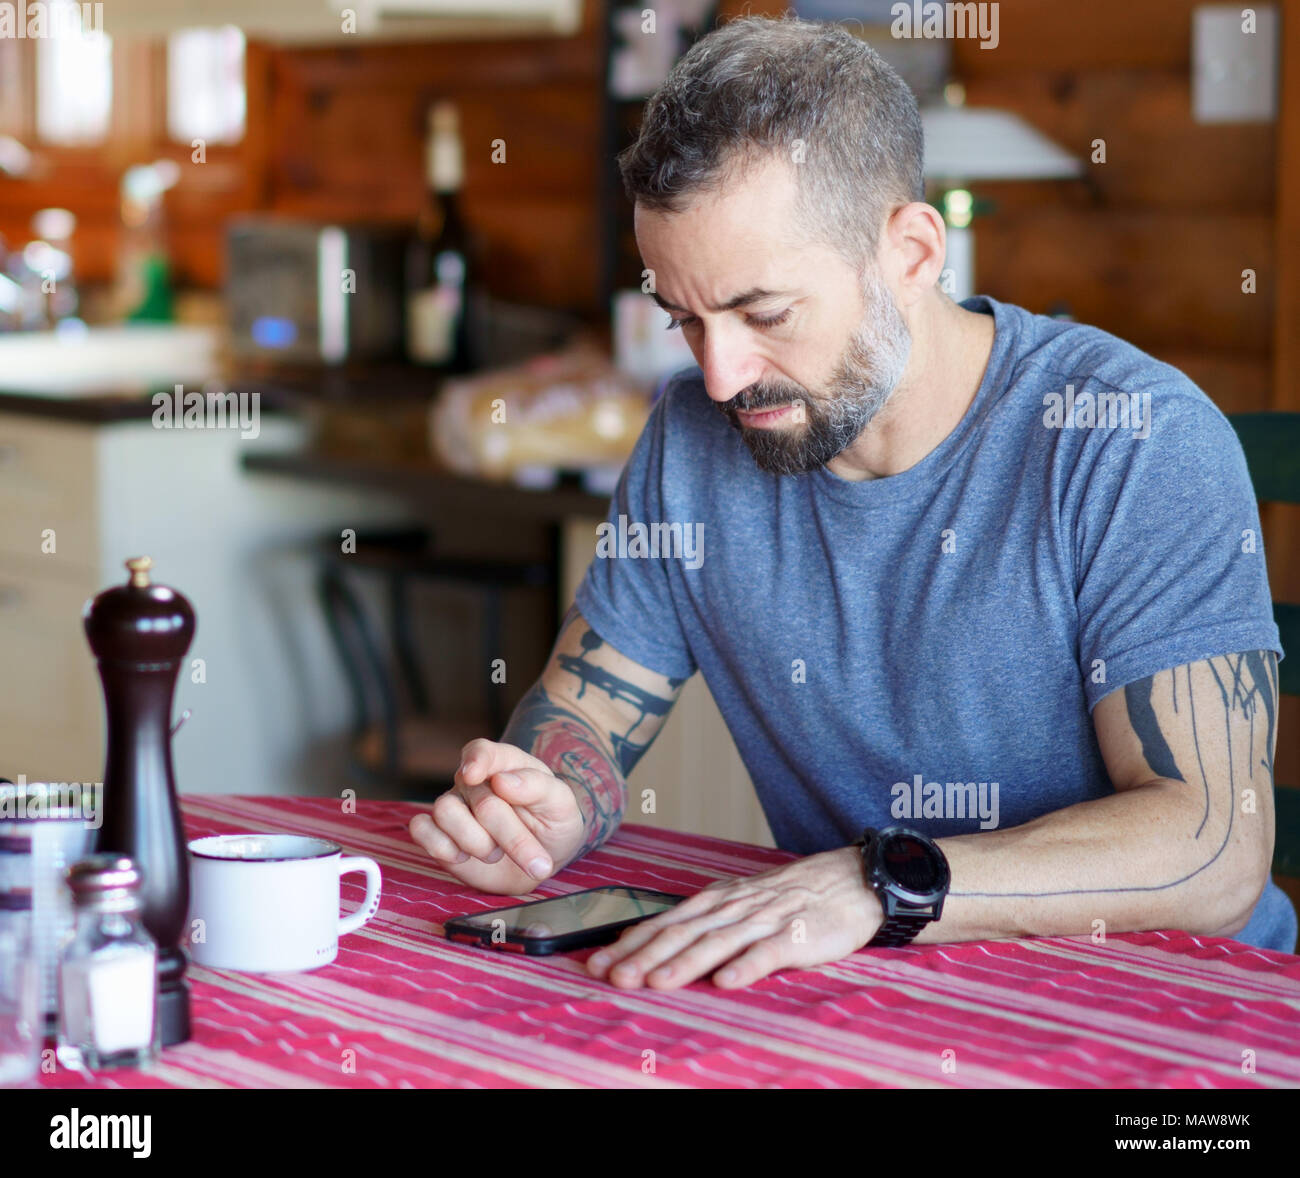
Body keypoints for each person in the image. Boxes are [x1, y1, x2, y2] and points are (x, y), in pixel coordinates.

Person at [409, 15, 1295, 987]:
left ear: (912, 253)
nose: (719, 377)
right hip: (883, 994)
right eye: (684, 320)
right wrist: (543, 806)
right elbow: (580, 718)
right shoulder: (690, 443)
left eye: (764, 313)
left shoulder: (1129, 438)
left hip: (1178, 1008)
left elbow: (1214, 846)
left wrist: (880, 884)